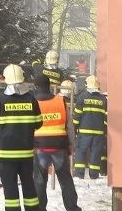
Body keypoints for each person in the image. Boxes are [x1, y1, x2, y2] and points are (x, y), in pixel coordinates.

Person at [0, 64, 42, 211]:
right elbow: (38, 124)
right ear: (22, 78)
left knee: (10, 188)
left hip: (6, 154)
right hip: (26, 153)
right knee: (29, 186)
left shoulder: (0, 100)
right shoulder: (31, 99)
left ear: (6, 79)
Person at [31, 73, 81, 211]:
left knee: (39, 181)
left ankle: (39, 208)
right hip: (59, 147)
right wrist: (71, 146)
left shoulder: (32, 102)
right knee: (65, 179)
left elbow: (27, 126)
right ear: (50, 86)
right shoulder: (60, 102)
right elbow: (69, 126)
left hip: (39, 147)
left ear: (36, 86)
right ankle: (72, 208)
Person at [72, 74, 108, 179]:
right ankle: (94, 174)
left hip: (83, 132)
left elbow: (77, 115)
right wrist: (104, 130)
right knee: (96, 153)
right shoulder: (104, 99)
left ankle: (79, 173)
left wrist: (74, 127)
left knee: (81, 152)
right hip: (99, 133)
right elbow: (106, 117)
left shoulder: (82, 97)